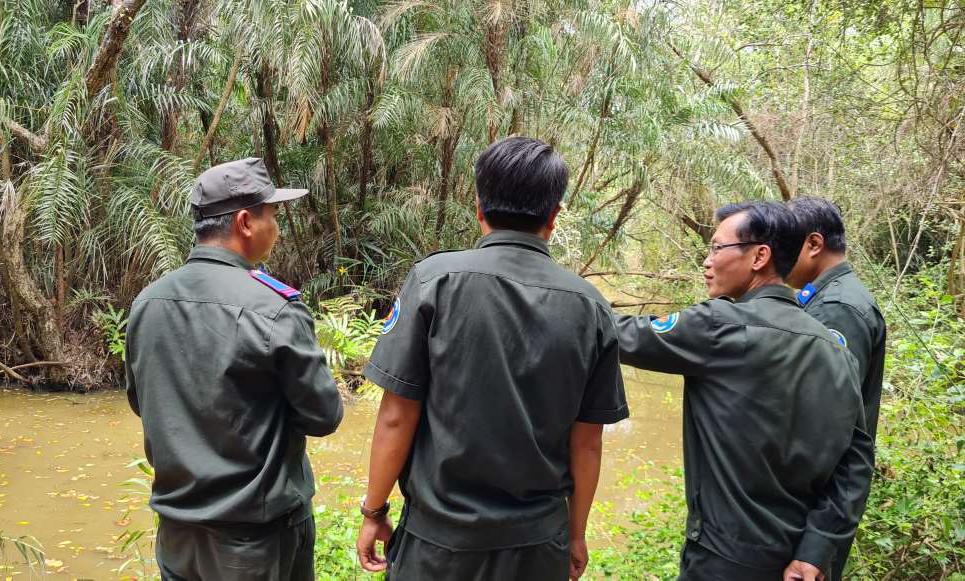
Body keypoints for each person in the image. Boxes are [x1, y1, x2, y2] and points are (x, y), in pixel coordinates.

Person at [354, 137, 628, 580]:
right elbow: (587, 441)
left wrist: (374, 510)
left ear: (479, 206)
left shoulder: (434, 281)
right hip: (537, 548)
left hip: (438, 545)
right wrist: (575, 535)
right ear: (554, 216)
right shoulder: (590, 306)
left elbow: (396, 415)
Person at [613, 201, 874, 581]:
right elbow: (856, 463)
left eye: (717, 248)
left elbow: (616, 334)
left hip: (724, 560)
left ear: (759, 257)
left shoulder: (720, 325)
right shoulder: (836, 350)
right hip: (797, 561)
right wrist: (815, 551)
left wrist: (562, 294)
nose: (707, 261)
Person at [125, 157, 344, 581]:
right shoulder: (274, 307)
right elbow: (324, 416)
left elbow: (142, 401)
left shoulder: (148, 302)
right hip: (253, 541)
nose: (276, 228)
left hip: (177, 534)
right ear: (245, 222)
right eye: (273, 215)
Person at [785, 197, 887, 580]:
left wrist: (817, 545)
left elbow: (838, 438)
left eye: (784, 244)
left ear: (814, 244)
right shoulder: (826, 300)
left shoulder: (837, 310)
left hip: (807, 523)